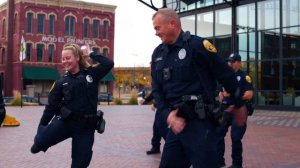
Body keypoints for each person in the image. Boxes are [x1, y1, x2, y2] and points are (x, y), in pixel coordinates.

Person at [151, 8, 246, 168]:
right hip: (176, 124)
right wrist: (168, 116)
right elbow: (157, 91)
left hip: (201, 124)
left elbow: (225, 74)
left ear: (172, 24)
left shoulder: (197, 46)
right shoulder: (158, 54)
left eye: (157, 28)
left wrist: (239, 103)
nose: (156, 33)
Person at [30, 43, 114, 168]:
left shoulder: (91, 74)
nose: (65, 61)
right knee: (40, 141)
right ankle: (41, 142)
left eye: (68, 58)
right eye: (63, 58)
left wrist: (91, 54)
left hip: (86, 128)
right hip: (66, 123)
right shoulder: (61, 82)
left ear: (77, 58)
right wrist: (41, 127)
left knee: (80, 164)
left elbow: (108, 63)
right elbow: (51, 107)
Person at [217, 53, 254, 168]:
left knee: (236, 138)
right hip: (227, 109)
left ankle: (237, 164)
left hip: (239, 110)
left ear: (239, 62)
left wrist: (233, 95)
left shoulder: (244, 77)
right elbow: (220, 92)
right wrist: (221, 94)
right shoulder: (225, 76)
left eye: (232, 62)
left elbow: (249, 95)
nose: (230, 64)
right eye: (229, 61)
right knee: (218, 133)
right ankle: (219, 161)